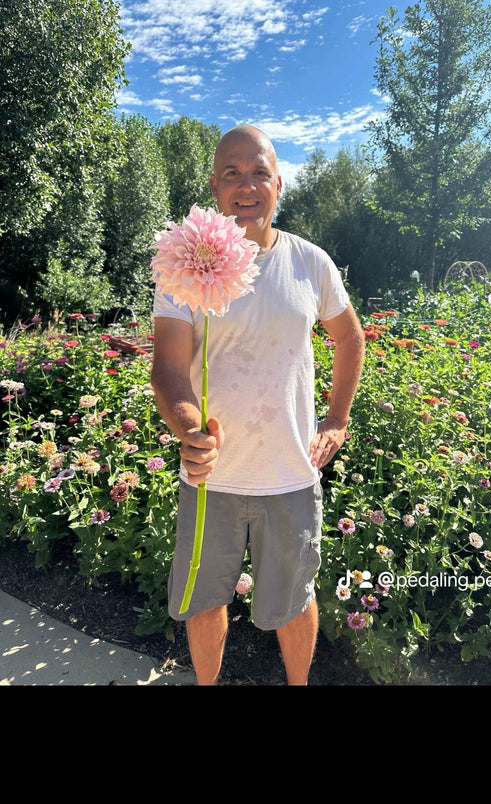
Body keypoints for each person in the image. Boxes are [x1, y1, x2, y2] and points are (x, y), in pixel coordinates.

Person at [150, 125, 366, 685]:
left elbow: (350, 338)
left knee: (294, 602)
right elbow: (168, 366)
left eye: (259, 173)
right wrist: (189, 429)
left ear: (278, 184)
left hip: (290, 473)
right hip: (210, 479)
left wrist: (337, 419)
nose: (246, 185)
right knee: (204, 602)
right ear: (214, 187)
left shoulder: (310, 262)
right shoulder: (182, 263)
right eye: (232, 173)